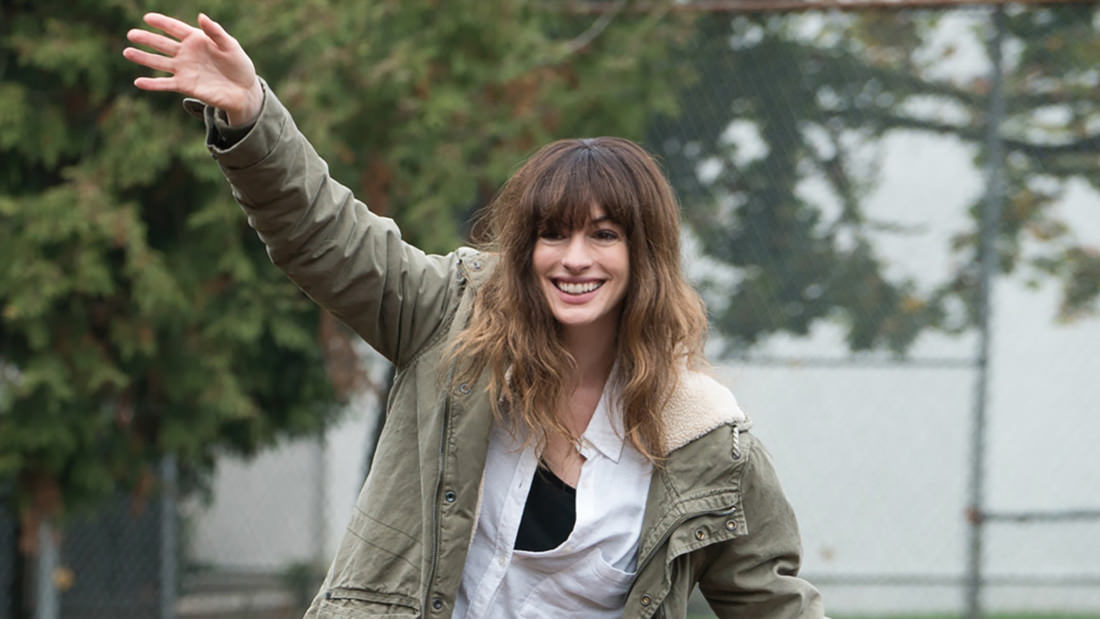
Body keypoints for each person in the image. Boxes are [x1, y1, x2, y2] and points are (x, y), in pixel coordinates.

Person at [124, 12, 826, 618]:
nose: (574, 258)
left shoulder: (701, 436)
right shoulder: (450, 316)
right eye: (554, 233)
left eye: (604, 235)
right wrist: (252, 117)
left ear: (645, 256)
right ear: (526, 246)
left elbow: (775, 599)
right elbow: (321, 232)